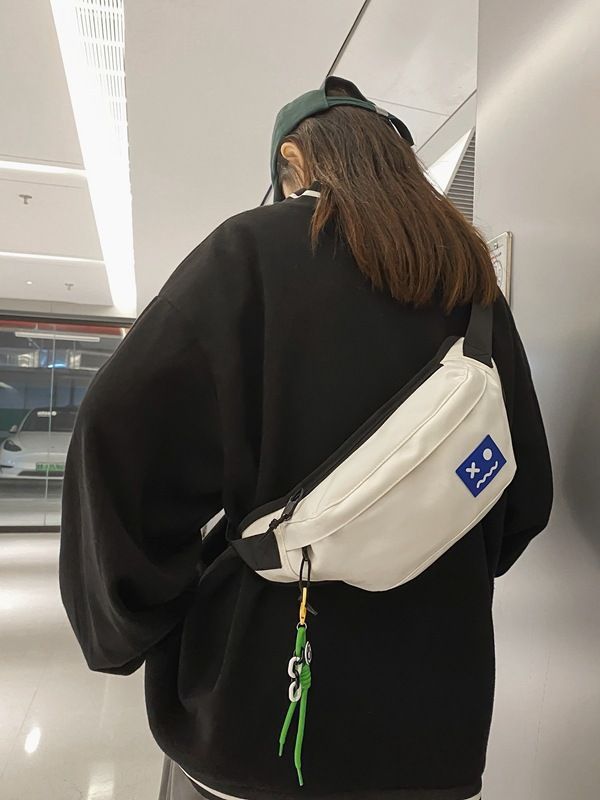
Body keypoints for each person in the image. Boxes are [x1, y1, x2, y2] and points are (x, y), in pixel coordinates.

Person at [59, 77, 553, 800]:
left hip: (263, 709)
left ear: (294, 159)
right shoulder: (473, 286)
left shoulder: (249, 253)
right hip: (436, 728)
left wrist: (135, 618)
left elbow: (118, 437)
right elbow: (523, 494)